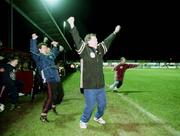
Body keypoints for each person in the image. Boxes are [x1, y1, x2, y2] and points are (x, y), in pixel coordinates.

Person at [67, 16, 121, 129]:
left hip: (100, 85)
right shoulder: (84, 50)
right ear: (88, 41)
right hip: (90, 86)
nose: (97, 40)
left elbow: (107, 41)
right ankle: (83, 120)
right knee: (90, 106)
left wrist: (114, 32)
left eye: (96, 39)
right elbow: (76, 38)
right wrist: (72, 25)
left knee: (102, 105)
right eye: (95, 39)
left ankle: (98, 117)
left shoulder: (100, 49)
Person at [30, 33, 64, 122]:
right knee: (51, 96)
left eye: (46, 47)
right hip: (48, 78)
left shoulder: (50, 55)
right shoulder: (38, 57)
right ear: (40, 50)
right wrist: (34, 40)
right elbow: (33, 50)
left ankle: (53, 105)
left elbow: (54, 52)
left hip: (56, 77)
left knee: (60, 95)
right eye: (44, 48)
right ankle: (43, 114)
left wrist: (55, 45)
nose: (45, 49)